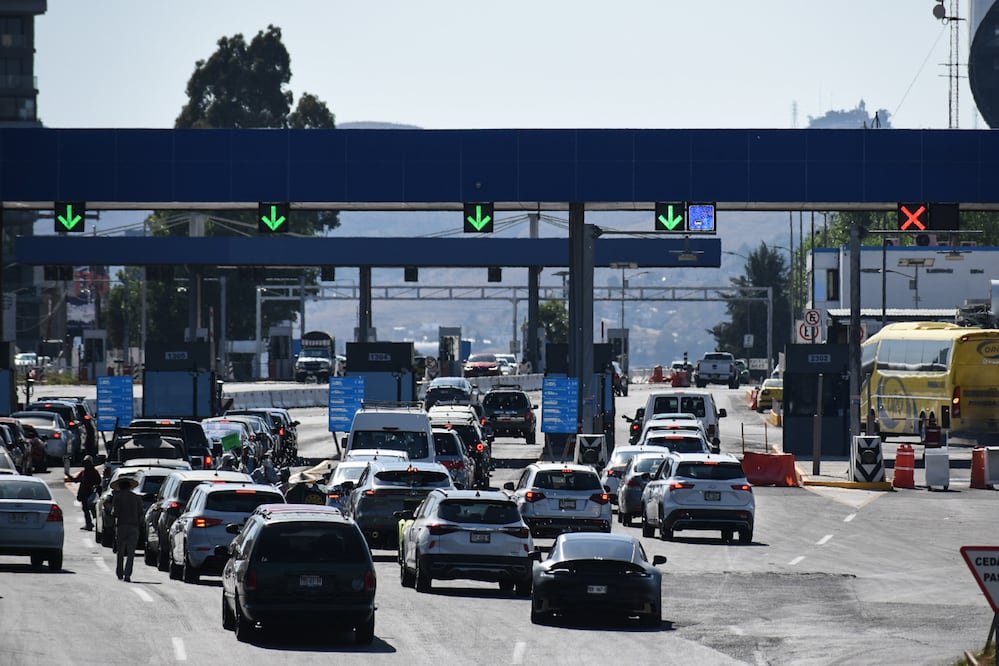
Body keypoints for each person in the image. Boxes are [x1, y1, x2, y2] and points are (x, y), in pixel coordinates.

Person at [111, 476, 145, 582]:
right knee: (131, 553)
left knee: (120, 551)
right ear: (130, 487)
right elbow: (141, 515)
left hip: (121, 526)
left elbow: (114, 513)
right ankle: (127, 574)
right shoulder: (137, 498)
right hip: (134, 527)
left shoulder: (118, 497)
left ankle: (119, 572)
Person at [66, 455, 101, 531]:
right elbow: (76, 480)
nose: (86, 465)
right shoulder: (83, 472)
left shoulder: (94, 472)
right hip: (84, 493)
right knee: (85, 509)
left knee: (93, 509)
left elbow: (99, 482)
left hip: (91, 494)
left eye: (87, 463)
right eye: (85, 463)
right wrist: (68, 475)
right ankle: (89, 524)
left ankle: (94, 523)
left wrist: (95, 488)